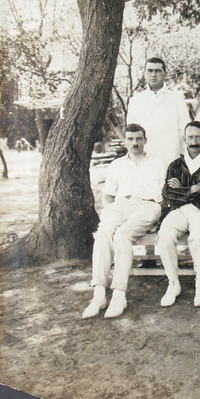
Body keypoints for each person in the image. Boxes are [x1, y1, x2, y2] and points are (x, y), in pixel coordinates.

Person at [82, 124, 164, 319]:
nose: (135, 143)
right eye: (130, 139)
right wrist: (109, 212)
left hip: (147, 206)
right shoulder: (116, 164)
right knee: (103, 232)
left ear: (145, 140)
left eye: (138, 138)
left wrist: (159, 213)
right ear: (125, 141)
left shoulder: (158, 163)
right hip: (120, 205)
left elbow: (165, 196)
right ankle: (99, 293)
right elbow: (108, 196)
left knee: (122, 234)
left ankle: (119, 293)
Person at [157, 121, 200, 308]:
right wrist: (195, 187)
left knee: (198, 237)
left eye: (198, 137)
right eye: (190, 137)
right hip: (178, 209)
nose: (194, 141)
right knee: (165, 236)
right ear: (184, 139)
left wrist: (183, 190)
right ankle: (173, 282)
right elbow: (168, 194)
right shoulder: (175, 165)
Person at [126, 57, 191, 169]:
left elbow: (184, 131)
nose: (153, 75)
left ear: (165, 73)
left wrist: (183, 157)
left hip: (169, 157)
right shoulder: (136, 100)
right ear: (145, 73)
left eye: (158, 71)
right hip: (144, 158)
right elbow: (131, 134)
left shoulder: (176, 99)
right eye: (150, 71)